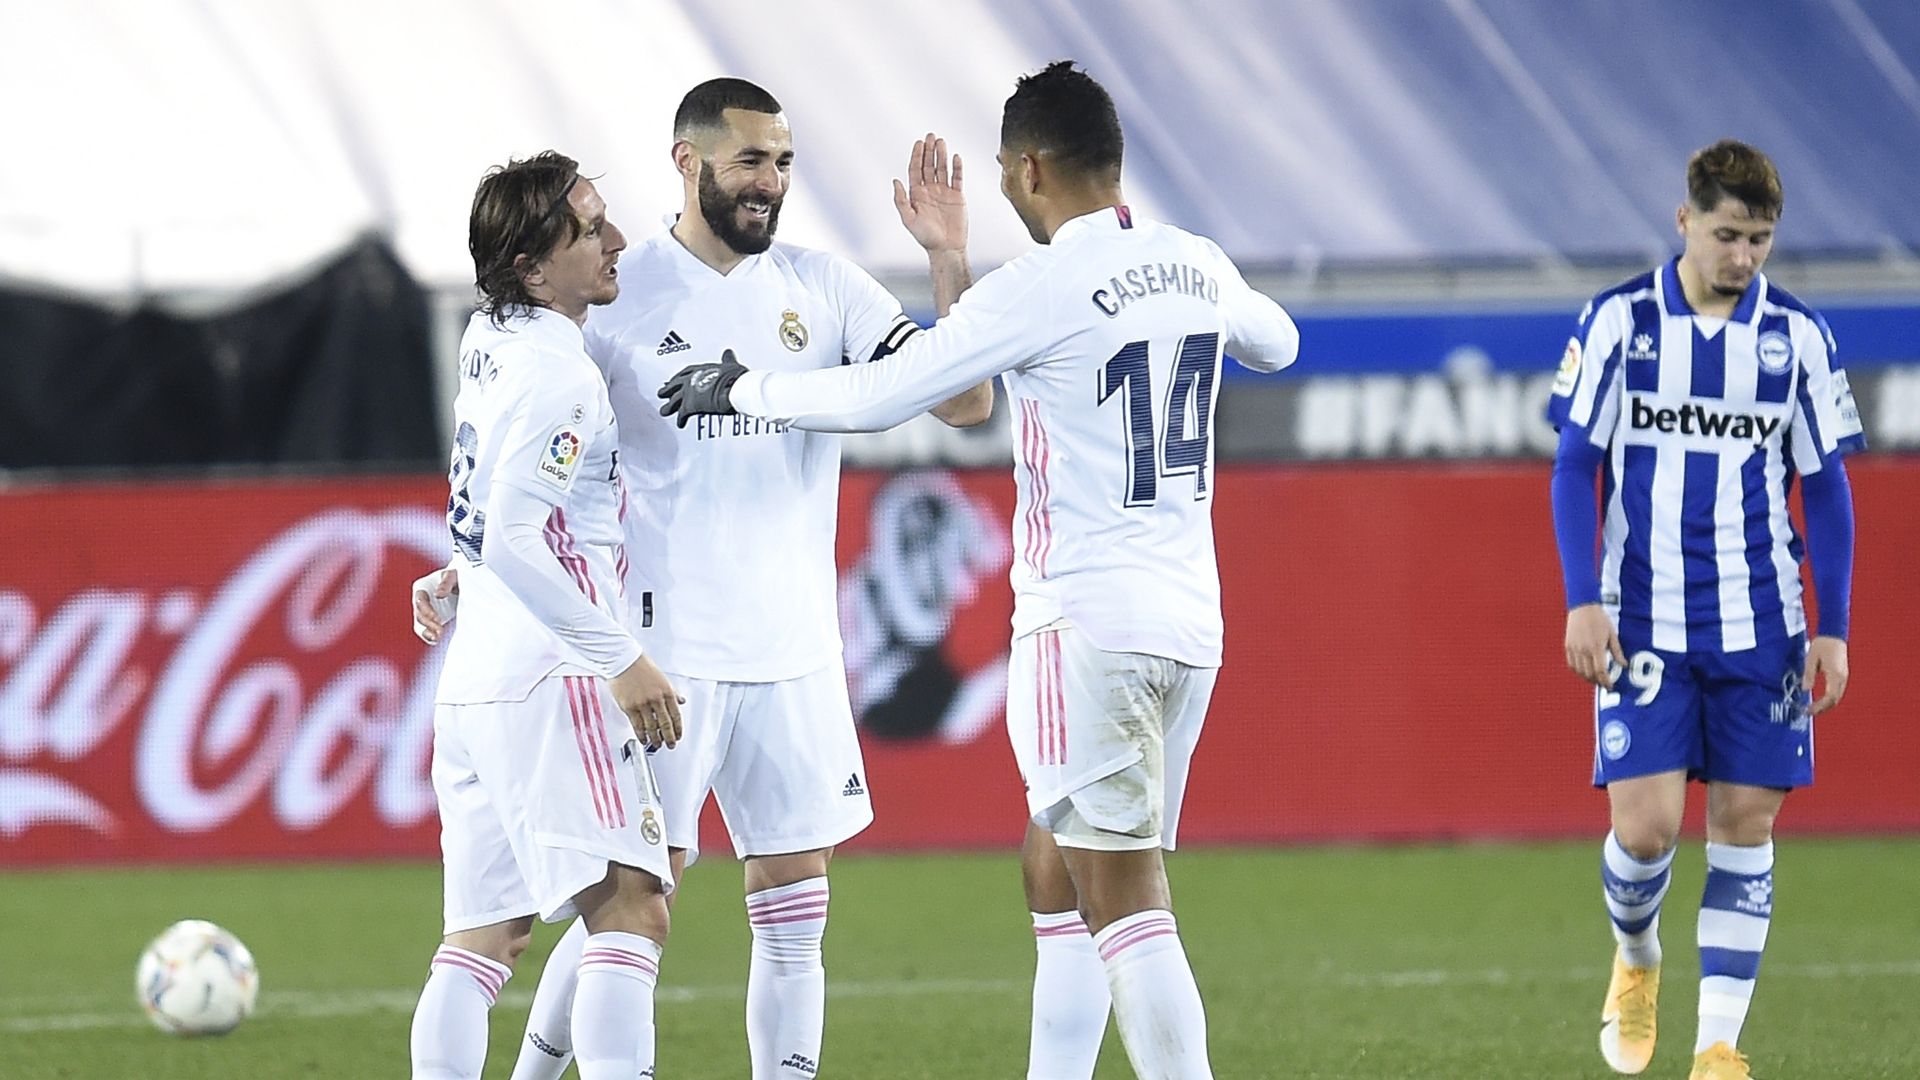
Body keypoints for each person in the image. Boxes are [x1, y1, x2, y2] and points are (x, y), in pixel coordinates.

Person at [660, 61, 1300, 1080]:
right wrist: (1199, 295)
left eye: (1006, 171)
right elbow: (1278, 340)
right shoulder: (1196, 261)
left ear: (1034, 168)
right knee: (1056, 869)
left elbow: (885, 396)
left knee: (1124, 897)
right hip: (1190, 626)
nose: (1004, 188)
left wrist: (747, 391)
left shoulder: (1039, 287)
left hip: (1083, 624)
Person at [413, 78, 992, 1080]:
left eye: (783, 162)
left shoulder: (828, 287)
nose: (770, 183)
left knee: (794, 894)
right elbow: (531, 464)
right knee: (634, 896)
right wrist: (474, 564)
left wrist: (947, 261)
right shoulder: (607, 297)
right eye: (750, 161)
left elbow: (969, 399)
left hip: (796, 643)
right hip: (658, 648)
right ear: (689, 161)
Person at [1545, 139, 1863, 1080]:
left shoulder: (1797, 338)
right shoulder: (1620, 322)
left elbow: (1830, 490)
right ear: (1685, 220)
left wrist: (1833, 626)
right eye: (1728, 235)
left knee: (1746, 823)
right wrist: (1581, 601)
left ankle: (1718, 1045)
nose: (1744, 257)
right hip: (1642, 617)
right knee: (1645, 830)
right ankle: (1637, 957)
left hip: (1762, 621)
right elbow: (1574, 466)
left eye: (1760, 239)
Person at [410, 151, 683, 1080]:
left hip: (478, 679)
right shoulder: (562, 377)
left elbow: (488, 506)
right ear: (532, 267)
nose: (616, 240)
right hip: (554, 677)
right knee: (634, 906)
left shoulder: (488, 336)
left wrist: (458, 565)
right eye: (590, 228)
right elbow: (521, 536)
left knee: (480, 943)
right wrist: (622, 659)